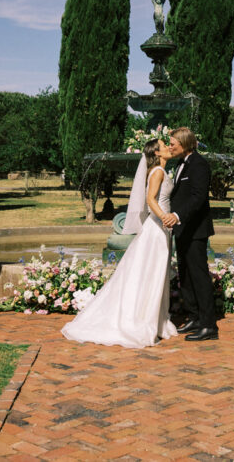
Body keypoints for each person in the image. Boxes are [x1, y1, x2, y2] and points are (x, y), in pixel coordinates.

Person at [62, 139, 179, 347]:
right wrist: (165, 218)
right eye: (164, 146)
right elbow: (150, 200)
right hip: (156, 229)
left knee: (155, 273)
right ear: (157, 153)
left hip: (161, 229)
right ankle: (142, 320)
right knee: (152, 273)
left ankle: (155, 319)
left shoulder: (160, 171)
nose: (169, 148)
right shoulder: (158, 172)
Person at [162, 127, 217, 341]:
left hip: (196, 230)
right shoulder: (180, 164)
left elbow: (198, 197)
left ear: (184, 143)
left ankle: (209, 326)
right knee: (185, 276)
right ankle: (194, 317)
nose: (170, 146)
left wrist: (176, 215)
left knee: (199, 277)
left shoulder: (199, 164)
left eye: (172, 143)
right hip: (183, 229)